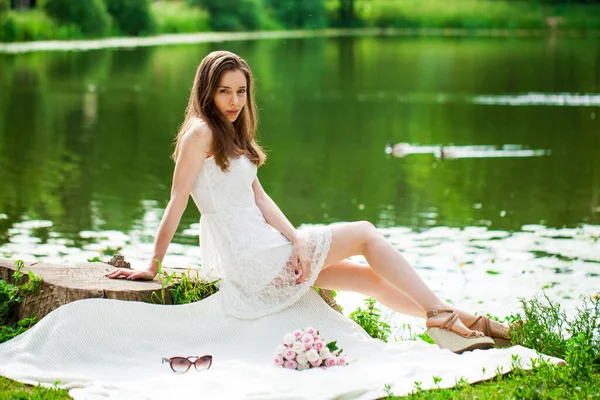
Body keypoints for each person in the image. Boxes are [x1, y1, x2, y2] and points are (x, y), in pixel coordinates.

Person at [105, 50, 509, 354]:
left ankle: (466, 323)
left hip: (267, 250)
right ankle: (440, 313)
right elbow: (176, 202)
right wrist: (152, 265)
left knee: (366, 279)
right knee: (366, 234)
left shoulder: (230, 134)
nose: (233, 101)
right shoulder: (200, 134)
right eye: (224, 91)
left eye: (241, 91)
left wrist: (297, 241)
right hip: (251, 259)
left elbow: (259, 198)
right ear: (206, 91)